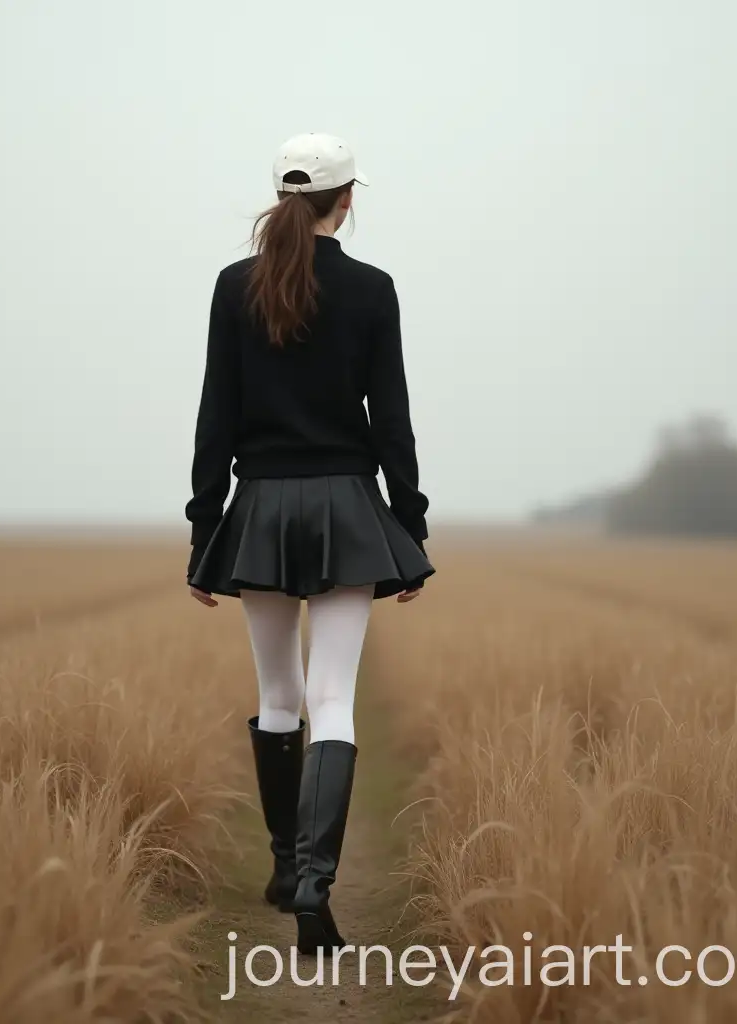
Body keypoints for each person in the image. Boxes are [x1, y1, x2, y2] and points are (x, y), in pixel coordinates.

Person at [184, 132, 434, 955]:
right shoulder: (373, 290)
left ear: (287, 198)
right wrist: (409, 520)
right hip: (343, 507)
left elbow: (215, 413)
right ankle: (315, 889)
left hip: (258, 507)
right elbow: (389, 418)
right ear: (347, 199)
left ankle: (287, 866)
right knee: (334, 698)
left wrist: (203, 527)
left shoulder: (232, 287)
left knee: (280, 695)